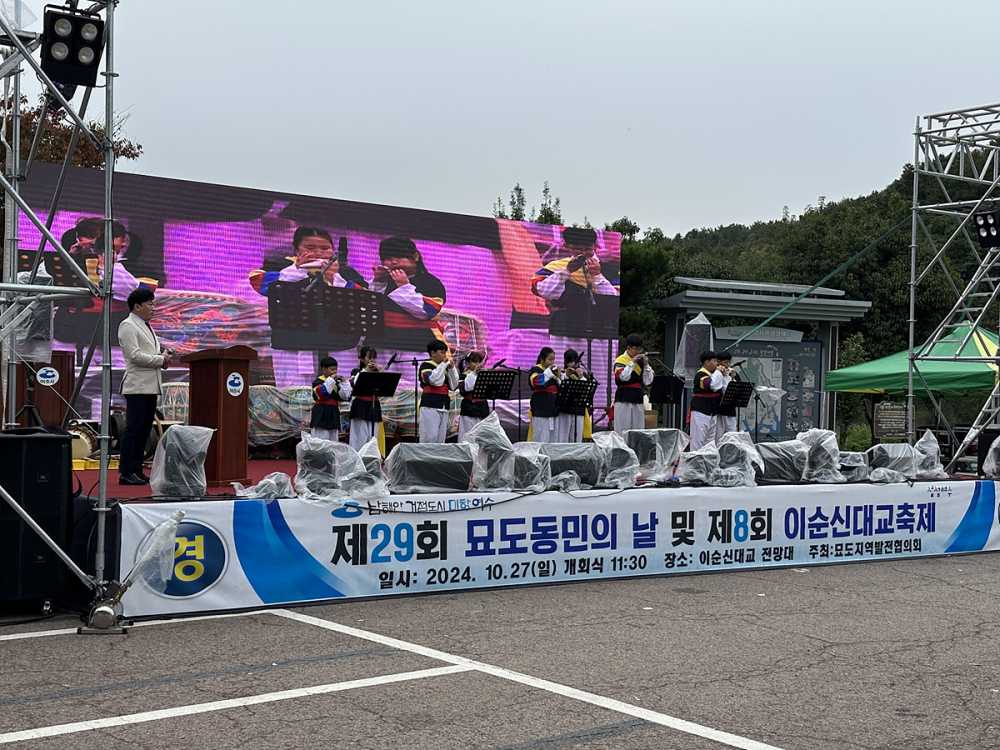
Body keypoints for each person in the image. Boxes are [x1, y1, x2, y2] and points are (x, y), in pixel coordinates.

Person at [249, 227, 367, 387]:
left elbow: (364, 298)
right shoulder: (280, 264)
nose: (318, 252)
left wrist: (334, 278)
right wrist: (299, 271)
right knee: (296, 398)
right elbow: (258, 283)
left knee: (340, 397)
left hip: (340, 345)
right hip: (293, 344)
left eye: (325, 248)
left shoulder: (345, 271)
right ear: (297, 250)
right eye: (310, 248)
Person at [117, 287, 173, 485]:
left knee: (143, 430)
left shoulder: (146, 325)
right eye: (150, 304)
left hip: (150, 386)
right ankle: (126, 472)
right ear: (137, 306)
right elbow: (134, 356)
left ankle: (137, 469)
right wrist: (160, 359)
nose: (153, 307)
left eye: (153, 303)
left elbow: (148, 352)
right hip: (137, 386)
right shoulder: (128, 325)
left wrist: (164, 357)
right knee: (134, 429)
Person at [370, 236, 447, 353]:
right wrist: (378, 282)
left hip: (416, 347)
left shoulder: (432, 283)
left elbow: (427, 311)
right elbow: (371, 307)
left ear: (415, 257)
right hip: (382, 346)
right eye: (388, 258)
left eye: (400, 257)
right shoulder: (385, 280)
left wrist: (403, 286)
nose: (394, 262)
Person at [419, 340, 458, 443]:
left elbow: (454, 385)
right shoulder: (426, 365)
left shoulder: (443, 367)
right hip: (430, 404)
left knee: (441, 439)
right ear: (432, 353)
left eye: (445, 352)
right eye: (442, 352)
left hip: (444, 405)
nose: (444, 355)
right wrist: (443, 365)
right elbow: (434, 381)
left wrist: (452, 369)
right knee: (430, 437)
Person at [613, 334, 653, 433]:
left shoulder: (641, 362)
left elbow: (648, 381)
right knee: (622, 430)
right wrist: (632, 362)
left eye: (639, 349)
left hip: (637, 398)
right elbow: (623, 378)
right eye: (635, 349)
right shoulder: (620, 360)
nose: (637, 352)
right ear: (628, 348)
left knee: (638, 430)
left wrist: (646, 365)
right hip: (623, 398)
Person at [348, 346, 384, 453]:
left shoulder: (377, 372)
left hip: (374, 405)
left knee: (373, 437)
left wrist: (382, 374)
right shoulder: (356, 371)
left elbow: (384, 390)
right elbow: (354, 383)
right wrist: (367, 370)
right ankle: (358, 460)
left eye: (374, 357)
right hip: (360, 405)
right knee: (359, 437)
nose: (372, 360)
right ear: (362, 359)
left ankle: (371, 460)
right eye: (369, 357)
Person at [310, 356, 352, 442]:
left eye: (335, 369)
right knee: (320, 441)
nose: (334, 372)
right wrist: (330, 380)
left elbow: (345, 397)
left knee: (333, 441)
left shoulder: (336, 383)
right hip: (321, 414)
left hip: (333, 414)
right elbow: (320, 394)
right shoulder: (318, 382)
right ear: (324, 369)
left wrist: (344, 383)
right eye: (332, 369)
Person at [689, 351, 724, 449]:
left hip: (712, 412)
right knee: (698, 441)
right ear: (707, 362)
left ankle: (707, 463)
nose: (717, 364)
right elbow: (712, 385)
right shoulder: (700, 374)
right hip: (700, 411)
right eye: (714, 361)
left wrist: (726, 375)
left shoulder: (714, 374)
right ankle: (695, 463)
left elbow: (722, 389)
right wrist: (718, 372)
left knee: (710, 443)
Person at [556, 349, 590, 443]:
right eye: (569, 362)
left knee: (577, 438)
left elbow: (587, 389)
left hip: (578, 409)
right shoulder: (562, 373)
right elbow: (560, 386)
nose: (571, 364)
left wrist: (581, 377)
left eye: (573, 361)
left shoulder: (582, 374)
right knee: (563, 437)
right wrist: (566, 375)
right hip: (565, 409)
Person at [529, 347, 561, 443]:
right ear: (542, 360)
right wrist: (550, 373)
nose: (552, 362)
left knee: (552, 440)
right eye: (549, 359)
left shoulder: (553, 373)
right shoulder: (535, 369)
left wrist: (559, 377)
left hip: (553, 410)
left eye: (553, 359)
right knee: (540, 439)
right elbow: (536, 382)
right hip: (541, 411)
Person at [457, 351, 488, 441]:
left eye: (479, 362)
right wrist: (474, 373)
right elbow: (466, 388)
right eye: (474, 362)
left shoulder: (483, 374)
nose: (477, 364)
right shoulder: (463, 375)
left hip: (482, 408)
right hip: (469, 407)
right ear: (467, 363)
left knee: (481, 436)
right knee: (468, 435)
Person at [712, 351, 740, 436]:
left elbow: (739, 387)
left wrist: (733, 377)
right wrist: (722, 375)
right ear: (718, 362)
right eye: (725, 362)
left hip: (730, 408)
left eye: (729, 362)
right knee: (719, 434)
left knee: (732, 433)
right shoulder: (715, 373)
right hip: (719, 408)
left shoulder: (732, 373)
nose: (727, 365)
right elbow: (717, 387)